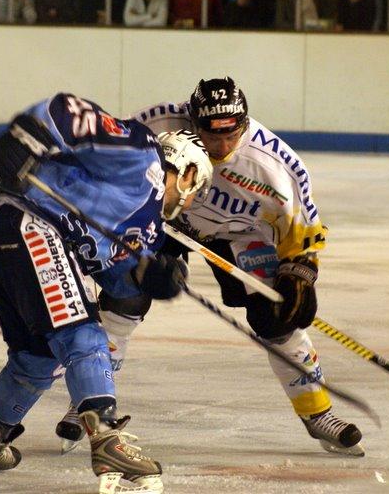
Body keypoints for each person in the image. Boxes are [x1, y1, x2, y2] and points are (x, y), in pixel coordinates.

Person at [55, 77, 366, 458]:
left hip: (240, 233)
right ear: (193, 121)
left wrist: (300, 273)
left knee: (277, 317)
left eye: (230, 135)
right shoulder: (156, 124)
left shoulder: (276, 166)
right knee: (126, 297)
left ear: (244, 122)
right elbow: (109, 159)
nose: (220, 146)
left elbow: (301, 228)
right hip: (166, 220)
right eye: (209, 135)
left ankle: (318, 413)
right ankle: (89, 400)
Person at [0, 92, 213, 494]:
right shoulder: (142, 157)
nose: (191, 201)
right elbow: (70, 110)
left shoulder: (149, 230)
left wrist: (148, 278)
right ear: (190, 172)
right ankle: (106, 438)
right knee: (83, 330)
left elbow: (113, 276)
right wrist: (29, 135)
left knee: (36, 355)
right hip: (27, 221)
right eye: (197, 189)